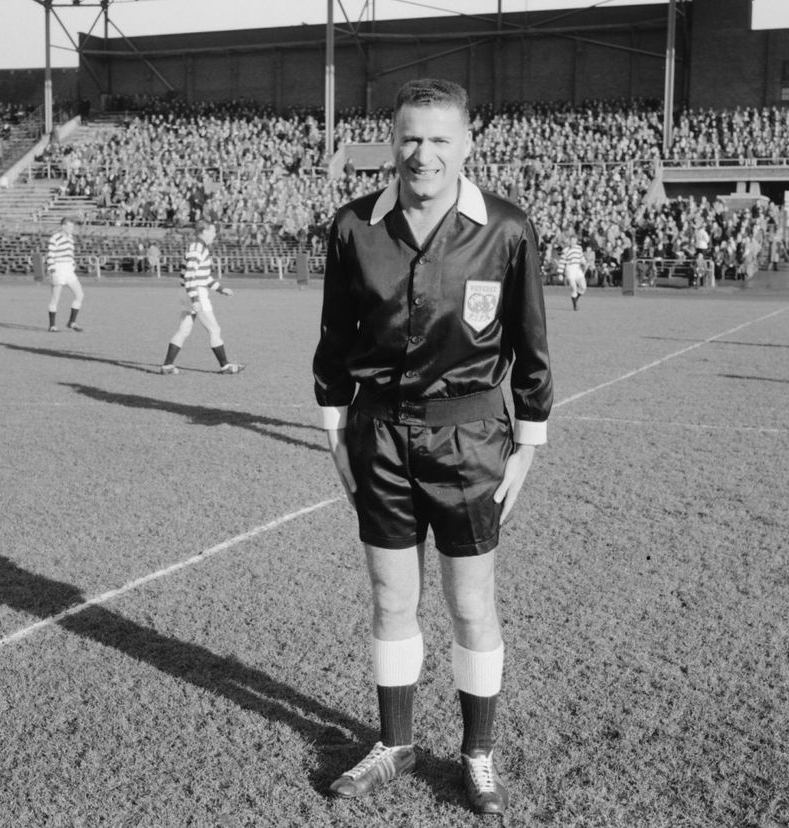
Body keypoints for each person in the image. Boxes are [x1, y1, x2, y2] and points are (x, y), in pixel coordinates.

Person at [312, 78, 553, 817]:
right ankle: (395, 743)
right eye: (411, 138)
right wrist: (335, 432)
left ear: (467, 144)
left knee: (470, 602)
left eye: (440, 139)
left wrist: (528, 442)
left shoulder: (506, 229)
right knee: (391, 595)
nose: (424, 154)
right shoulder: (353, 227)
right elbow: (334, 339)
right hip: (378, 433)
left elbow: (531, 345)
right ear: (392, 141)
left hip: (472, 438)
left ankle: (477, 753)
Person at [159, 220, 244, 375]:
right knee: (214, 329)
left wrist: (221, 289)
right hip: (196, 292)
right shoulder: (197, 248)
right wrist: (195, 299)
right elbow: (191, 275)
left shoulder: (199, 248)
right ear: (204, 231)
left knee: (184, 330)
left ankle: (167, 365)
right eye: (212, 231)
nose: (214, 234)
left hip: (188, 291)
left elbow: (203, 277)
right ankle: (225, 365)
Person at [46, 217, 83, 332]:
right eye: (70, 226)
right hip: (59, 267)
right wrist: (52, 270)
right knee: (55, 298)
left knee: (80, 295)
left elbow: (70, 254)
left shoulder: (71, 238)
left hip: (68, 269)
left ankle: (72, 322)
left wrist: (72, 264)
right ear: (63, 226)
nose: (72, 228)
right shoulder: (55, 238)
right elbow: (50, 254)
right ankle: (52, 325)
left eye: (73, 226)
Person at [558, 229, 587, 310]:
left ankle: (575, 299)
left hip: (577, 269)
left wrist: (584, 262)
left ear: (576, 241)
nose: (573, 242)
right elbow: (562, 262)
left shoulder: (579, 248)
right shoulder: (566, 250)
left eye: (574, 240)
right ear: (569, 241)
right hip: (569, 269)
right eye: (571, 240)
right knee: (573, 288)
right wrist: (560, 273)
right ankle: (575, 306)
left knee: (583, 287)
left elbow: (581, 257)